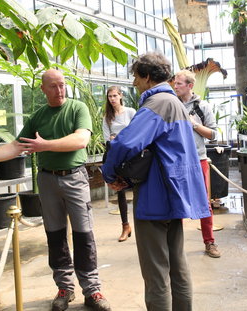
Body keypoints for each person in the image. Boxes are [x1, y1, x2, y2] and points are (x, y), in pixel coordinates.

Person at [0, 69, 111, 311]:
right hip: (47, 180)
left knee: (84, 235)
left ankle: (92, 290)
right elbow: (17, 146)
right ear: (43, 89)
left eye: (62, 85)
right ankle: (64, 288)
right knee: (55, 236)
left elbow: (80, 140)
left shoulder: (77, 108)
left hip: (75, 178)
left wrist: (45, 145)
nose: (60, 90)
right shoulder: (38, 116)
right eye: (54, 86)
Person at [102, 51, 210, 310]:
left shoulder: (157, 103)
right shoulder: (176, 104)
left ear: (148, 76)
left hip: (155, 196)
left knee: (156, 272)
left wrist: (109, 174)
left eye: (136, 78)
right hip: (175, 194)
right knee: (177, 264)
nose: (134, 84)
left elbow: (126, 143)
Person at [173, 70, 221, 258]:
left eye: (179, 84)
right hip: (176, 161)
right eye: (175, 83)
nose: (175, 86)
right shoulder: (172, 105)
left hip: (198, 160)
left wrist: (194, 125)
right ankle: (174, 247)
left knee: (203, 202)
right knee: (176, 201)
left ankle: (210, 242)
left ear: (190, 85)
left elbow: (214, 134)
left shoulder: (202, 107)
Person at [102, 86, 136, 242]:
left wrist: (119, 138)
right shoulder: (107, 117)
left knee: (138, 189)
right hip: (117, 156)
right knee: (120, 190)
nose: (112, 99)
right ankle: (125, 226)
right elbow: (107, 139)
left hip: (132, 156)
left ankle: (142, 224)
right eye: (110, 96)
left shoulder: (130, 112)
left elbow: (137, 133)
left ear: (121, 96)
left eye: (115, 95)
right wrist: (115, 140)